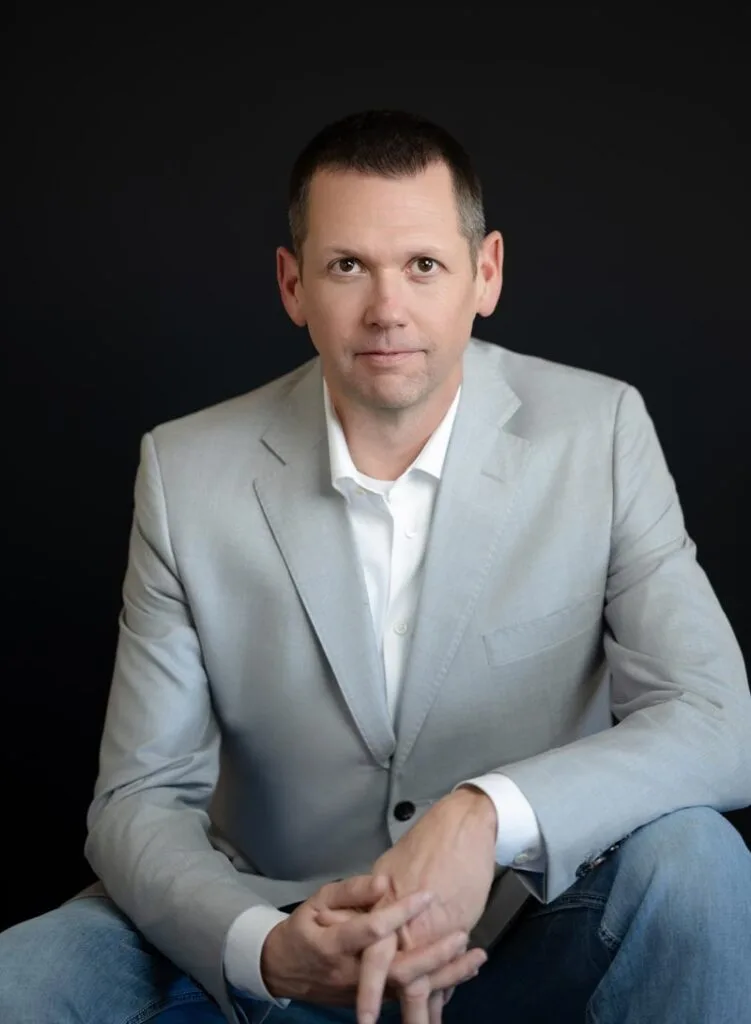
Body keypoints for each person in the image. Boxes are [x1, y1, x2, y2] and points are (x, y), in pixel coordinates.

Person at [1, 108, 750, 1024]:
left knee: (697, 860)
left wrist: (480, 814)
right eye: (347, 266)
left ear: (487, 273)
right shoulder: (185, 470)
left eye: (422, 265)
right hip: (272, 927)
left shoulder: (598, 433)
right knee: (26, 973)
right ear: (292, 283)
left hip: (519, 930)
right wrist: (262, 947)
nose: (386, 308)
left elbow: (720, 722)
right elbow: (137, 800)